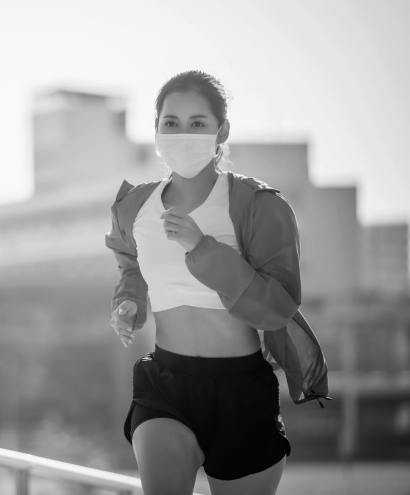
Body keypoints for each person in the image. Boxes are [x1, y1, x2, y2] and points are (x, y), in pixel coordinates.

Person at [105, 70, 330, 494]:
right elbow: (132, 266)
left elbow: (278, 305)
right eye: (170, 123)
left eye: (197, 123)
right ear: (155, 129)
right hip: (165, 385)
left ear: (221, 130)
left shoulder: (258, 206)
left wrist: (203, 249)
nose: (182, 133)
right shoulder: (134, 208)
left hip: (241, 391)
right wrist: (129, 303)